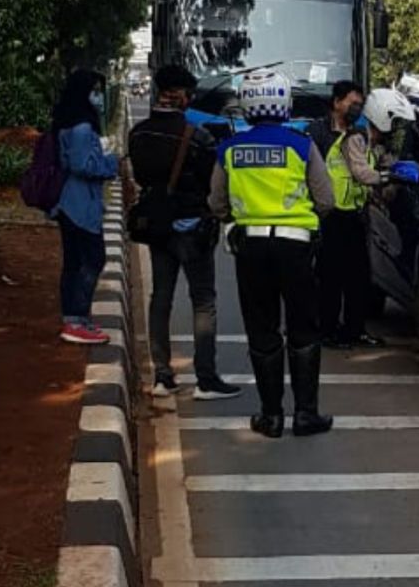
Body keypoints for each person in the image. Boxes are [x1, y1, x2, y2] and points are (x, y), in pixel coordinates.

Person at [209, 71, 336, 438]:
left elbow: (216, 202)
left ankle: (271, 416)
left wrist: (239, 216)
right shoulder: (302, 145)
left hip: (250, 247)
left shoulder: (230, 148)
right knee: (303, 327)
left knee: (262, 328)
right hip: (297, 245)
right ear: (285, 104)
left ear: (246, 105)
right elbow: (325, 199)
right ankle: (306, 414)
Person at [128, 65, 240, 401]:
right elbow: (214, 182)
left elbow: (140, 177)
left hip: (158, 227)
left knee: (161, 297)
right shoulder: (199, 136)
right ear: (186, 97)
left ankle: (163, 376)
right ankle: (205, 379)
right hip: (193, 227)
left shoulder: (139, 134)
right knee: (203, 300)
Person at [305, 80, 381, 348]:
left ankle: (355, 329)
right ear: (337, 102)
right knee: (329, 277)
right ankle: (327, 330)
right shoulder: (316, 133)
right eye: (352, 102)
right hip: (327, 215)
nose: (356, 108)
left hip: (355, 214)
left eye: (360, 104)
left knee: (359, 277)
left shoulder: (359, 134)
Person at [51, 70, 120, 345]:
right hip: (80, 204)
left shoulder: (65, 121)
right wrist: (111, 163)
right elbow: (82, 164)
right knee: (93, 259)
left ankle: (74, 318)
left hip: (70, 202)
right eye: (95, 91)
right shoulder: (80, 127)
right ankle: (76, 318)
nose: (99, 97)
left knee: (73, 262)